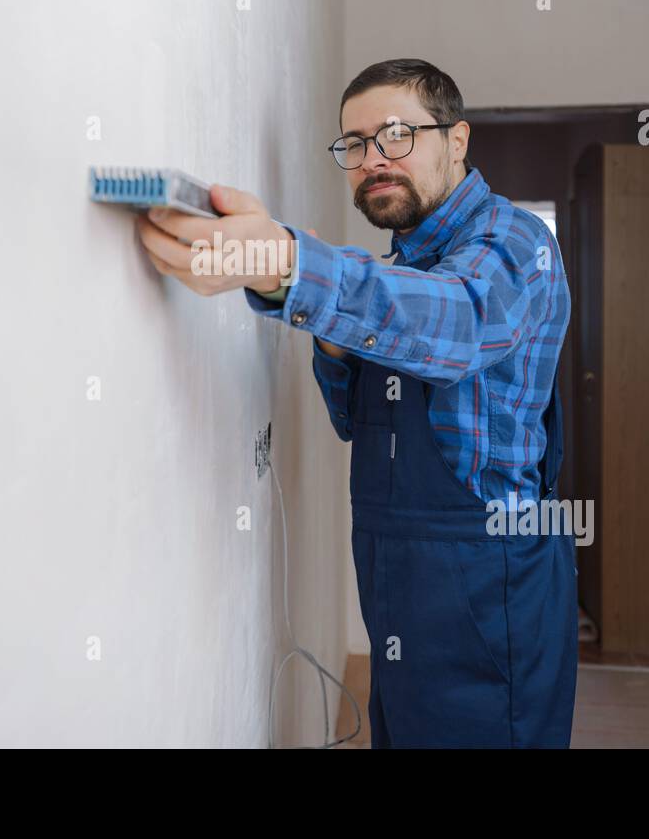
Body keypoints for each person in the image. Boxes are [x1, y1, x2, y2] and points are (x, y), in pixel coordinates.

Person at [137, 57, 577, 748]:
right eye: (356, 144)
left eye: (397, 135)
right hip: (395, 565)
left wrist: (291, 264)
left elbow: (460, 324)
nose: (374, 159)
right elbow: (353, 421)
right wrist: (330, 334)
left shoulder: (517, 242)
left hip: (489, 578)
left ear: (457, 141)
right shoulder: (395, 272)